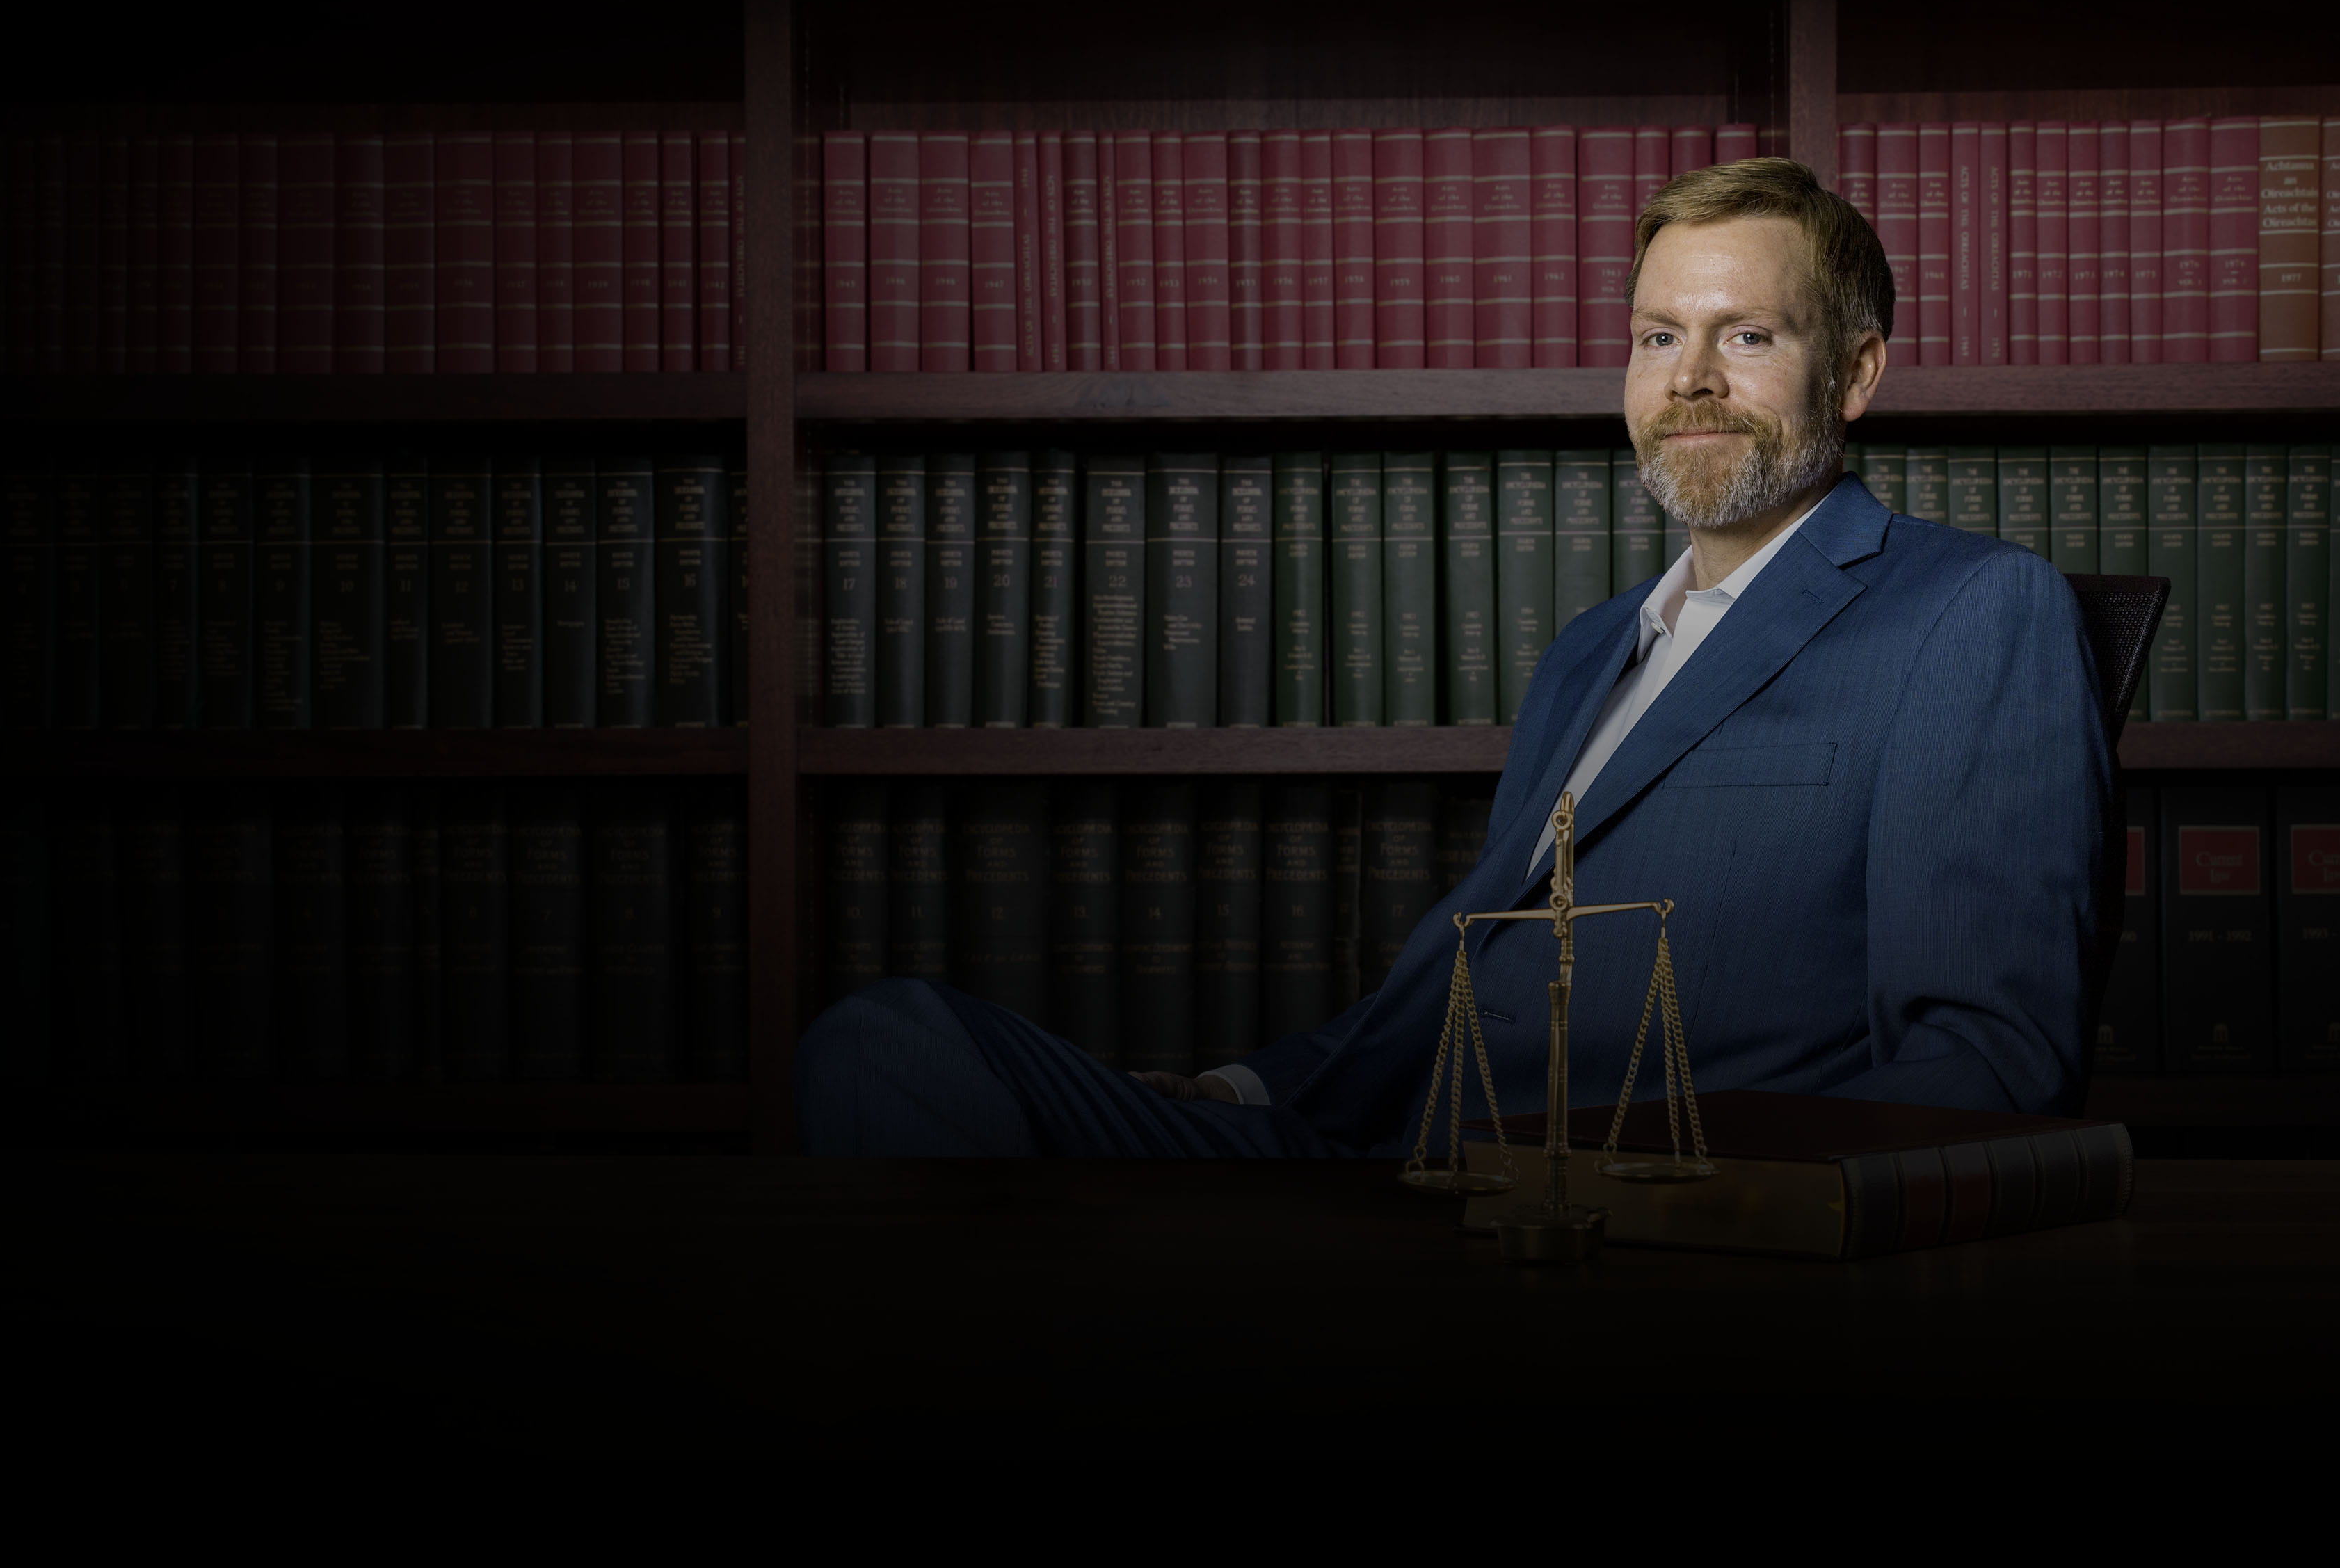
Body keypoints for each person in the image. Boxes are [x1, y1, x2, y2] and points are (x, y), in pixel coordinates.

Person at [796, 156, 2111, 1158]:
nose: (1689, 378)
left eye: (1746, 336)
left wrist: (1643, 1183)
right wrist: (1245, 1087)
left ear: (1857, 372)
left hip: (1613, 1209)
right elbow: (1458, 978)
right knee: (896, 1045)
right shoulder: (1594, 651)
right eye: (1659, 336)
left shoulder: (1972, 610)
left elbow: (1987, 1065)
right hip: (1377, 1155)